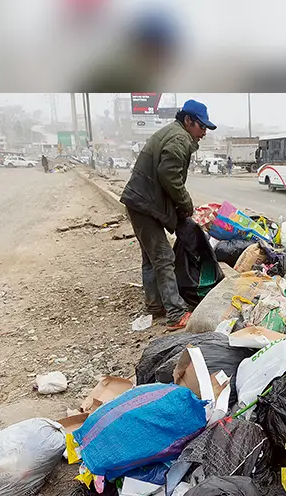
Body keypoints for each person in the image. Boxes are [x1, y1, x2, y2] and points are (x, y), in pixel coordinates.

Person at [120, 98, 215, 330]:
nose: (203, 132)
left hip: (141, 202)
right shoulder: (179, 138)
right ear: (188, 120)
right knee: (163, 258)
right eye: (201, 126)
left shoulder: (174, 134)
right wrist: (186, 205)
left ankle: (155, 305)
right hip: (145, 204)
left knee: (151, 257)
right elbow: (169, 175)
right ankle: (175, 313)